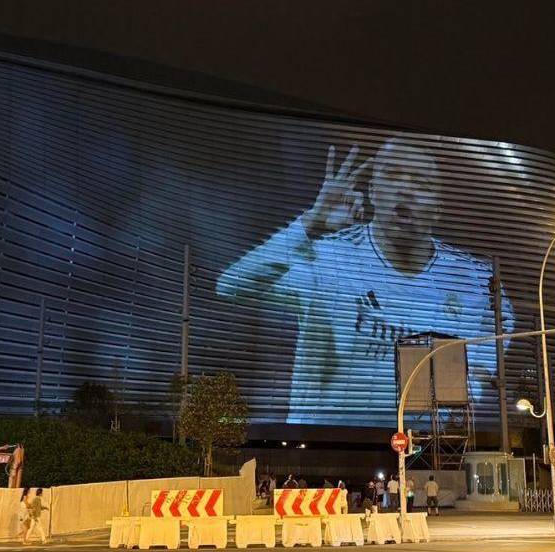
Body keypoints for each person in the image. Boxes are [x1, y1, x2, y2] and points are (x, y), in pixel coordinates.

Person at [217, 141, 513, 424]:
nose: (405, 189)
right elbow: (231, 285)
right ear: (372, 191)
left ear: (437, 208)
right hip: (323, 439)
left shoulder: (470, 276)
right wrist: (312, 221)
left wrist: (471, 381)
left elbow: (504, 318)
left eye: (420, 183)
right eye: (393, 176)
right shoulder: (328, 258)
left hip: (420, 444)